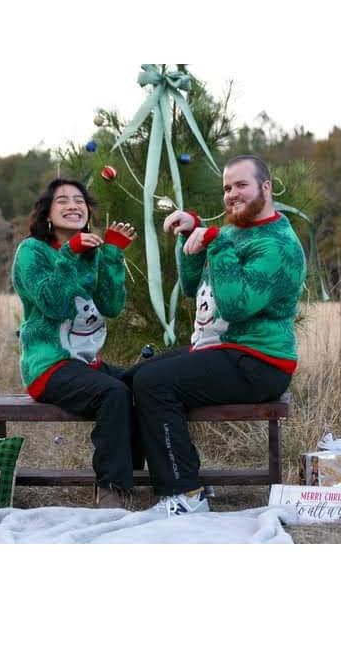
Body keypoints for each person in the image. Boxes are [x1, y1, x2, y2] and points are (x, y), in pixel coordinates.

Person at [131, 155, 306, 517]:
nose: (231, 194)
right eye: (227, 187)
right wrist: (190, 235)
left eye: (241, 185)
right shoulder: (234, 230)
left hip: (260, 362)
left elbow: (238, 304)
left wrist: (217, 243)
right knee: (135, 377)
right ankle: (137, 477)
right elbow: (194, 283)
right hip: (224, 351)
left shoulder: (278, 244)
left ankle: (186, 493)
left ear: (266, 187)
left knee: (153, 383)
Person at [11, 177, 141, 508]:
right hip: (48, 365)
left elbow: (112, 306)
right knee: (113, 393)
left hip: (85, 364)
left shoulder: (92, 254)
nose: (74, 205)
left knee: (144, 383)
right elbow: (53, 302)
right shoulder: (31, 252)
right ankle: (112, 488)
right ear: (47, 215)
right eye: (63, 201)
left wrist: (111, 254)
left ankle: (147, 476)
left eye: (80, 200)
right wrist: (70, 253)